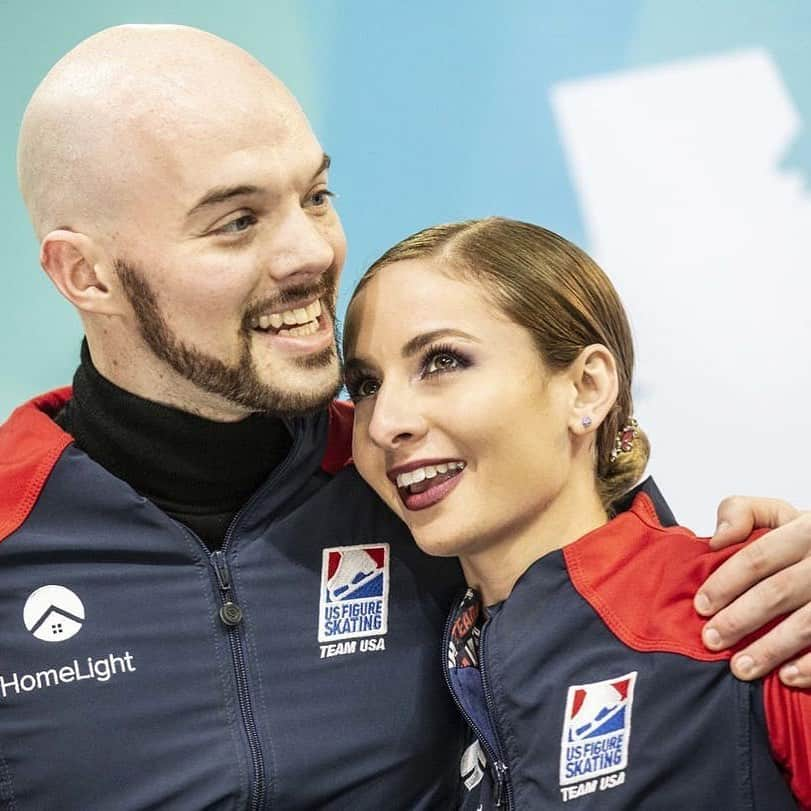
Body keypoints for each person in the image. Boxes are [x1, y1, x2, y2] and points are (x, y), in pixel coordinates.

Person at [1, 22, 809, 810]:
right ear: (86, 274)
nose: (312, 254)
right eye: (236, 221)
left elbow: (623, 597)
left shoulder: (423, 485)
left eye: (315, 195)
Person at [343, 217, 811, 808]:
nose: (385, 424)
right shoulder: (411, 686)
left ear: (587, 387)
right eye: (364, 385)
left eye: (442, 362)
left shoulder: (758, 610)